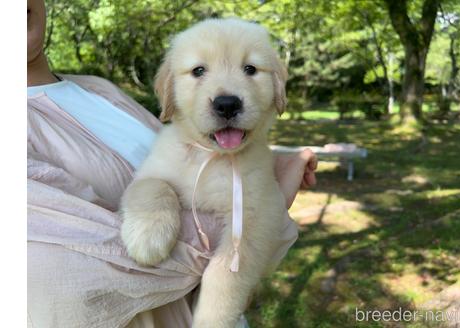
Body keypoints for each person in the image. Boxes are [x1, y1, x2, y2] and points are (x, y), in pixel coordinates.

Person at [27, 0, 317, 327]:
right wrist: (271, 201)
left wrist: (273, 175)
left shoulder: (99, 90)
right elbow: (77, 268)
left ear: (278, 86)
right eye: (198, 71)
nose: (226, 97)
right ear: (170, 88)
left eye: (250, 69)